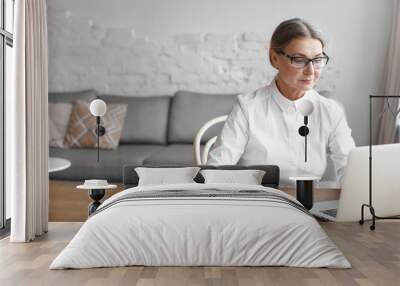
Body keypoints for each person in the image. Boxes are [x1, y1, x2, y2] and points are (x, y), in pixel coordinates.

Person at [207, 18, 356, 186]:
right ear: (274, 58)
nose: (311, 71)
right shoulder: (247, 107)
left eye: (318, 60)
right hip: (258, 202)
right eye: (299, 60)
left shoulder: (330, 111)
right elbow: (216, 171)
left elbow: (351, 170)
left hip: (308, 204)